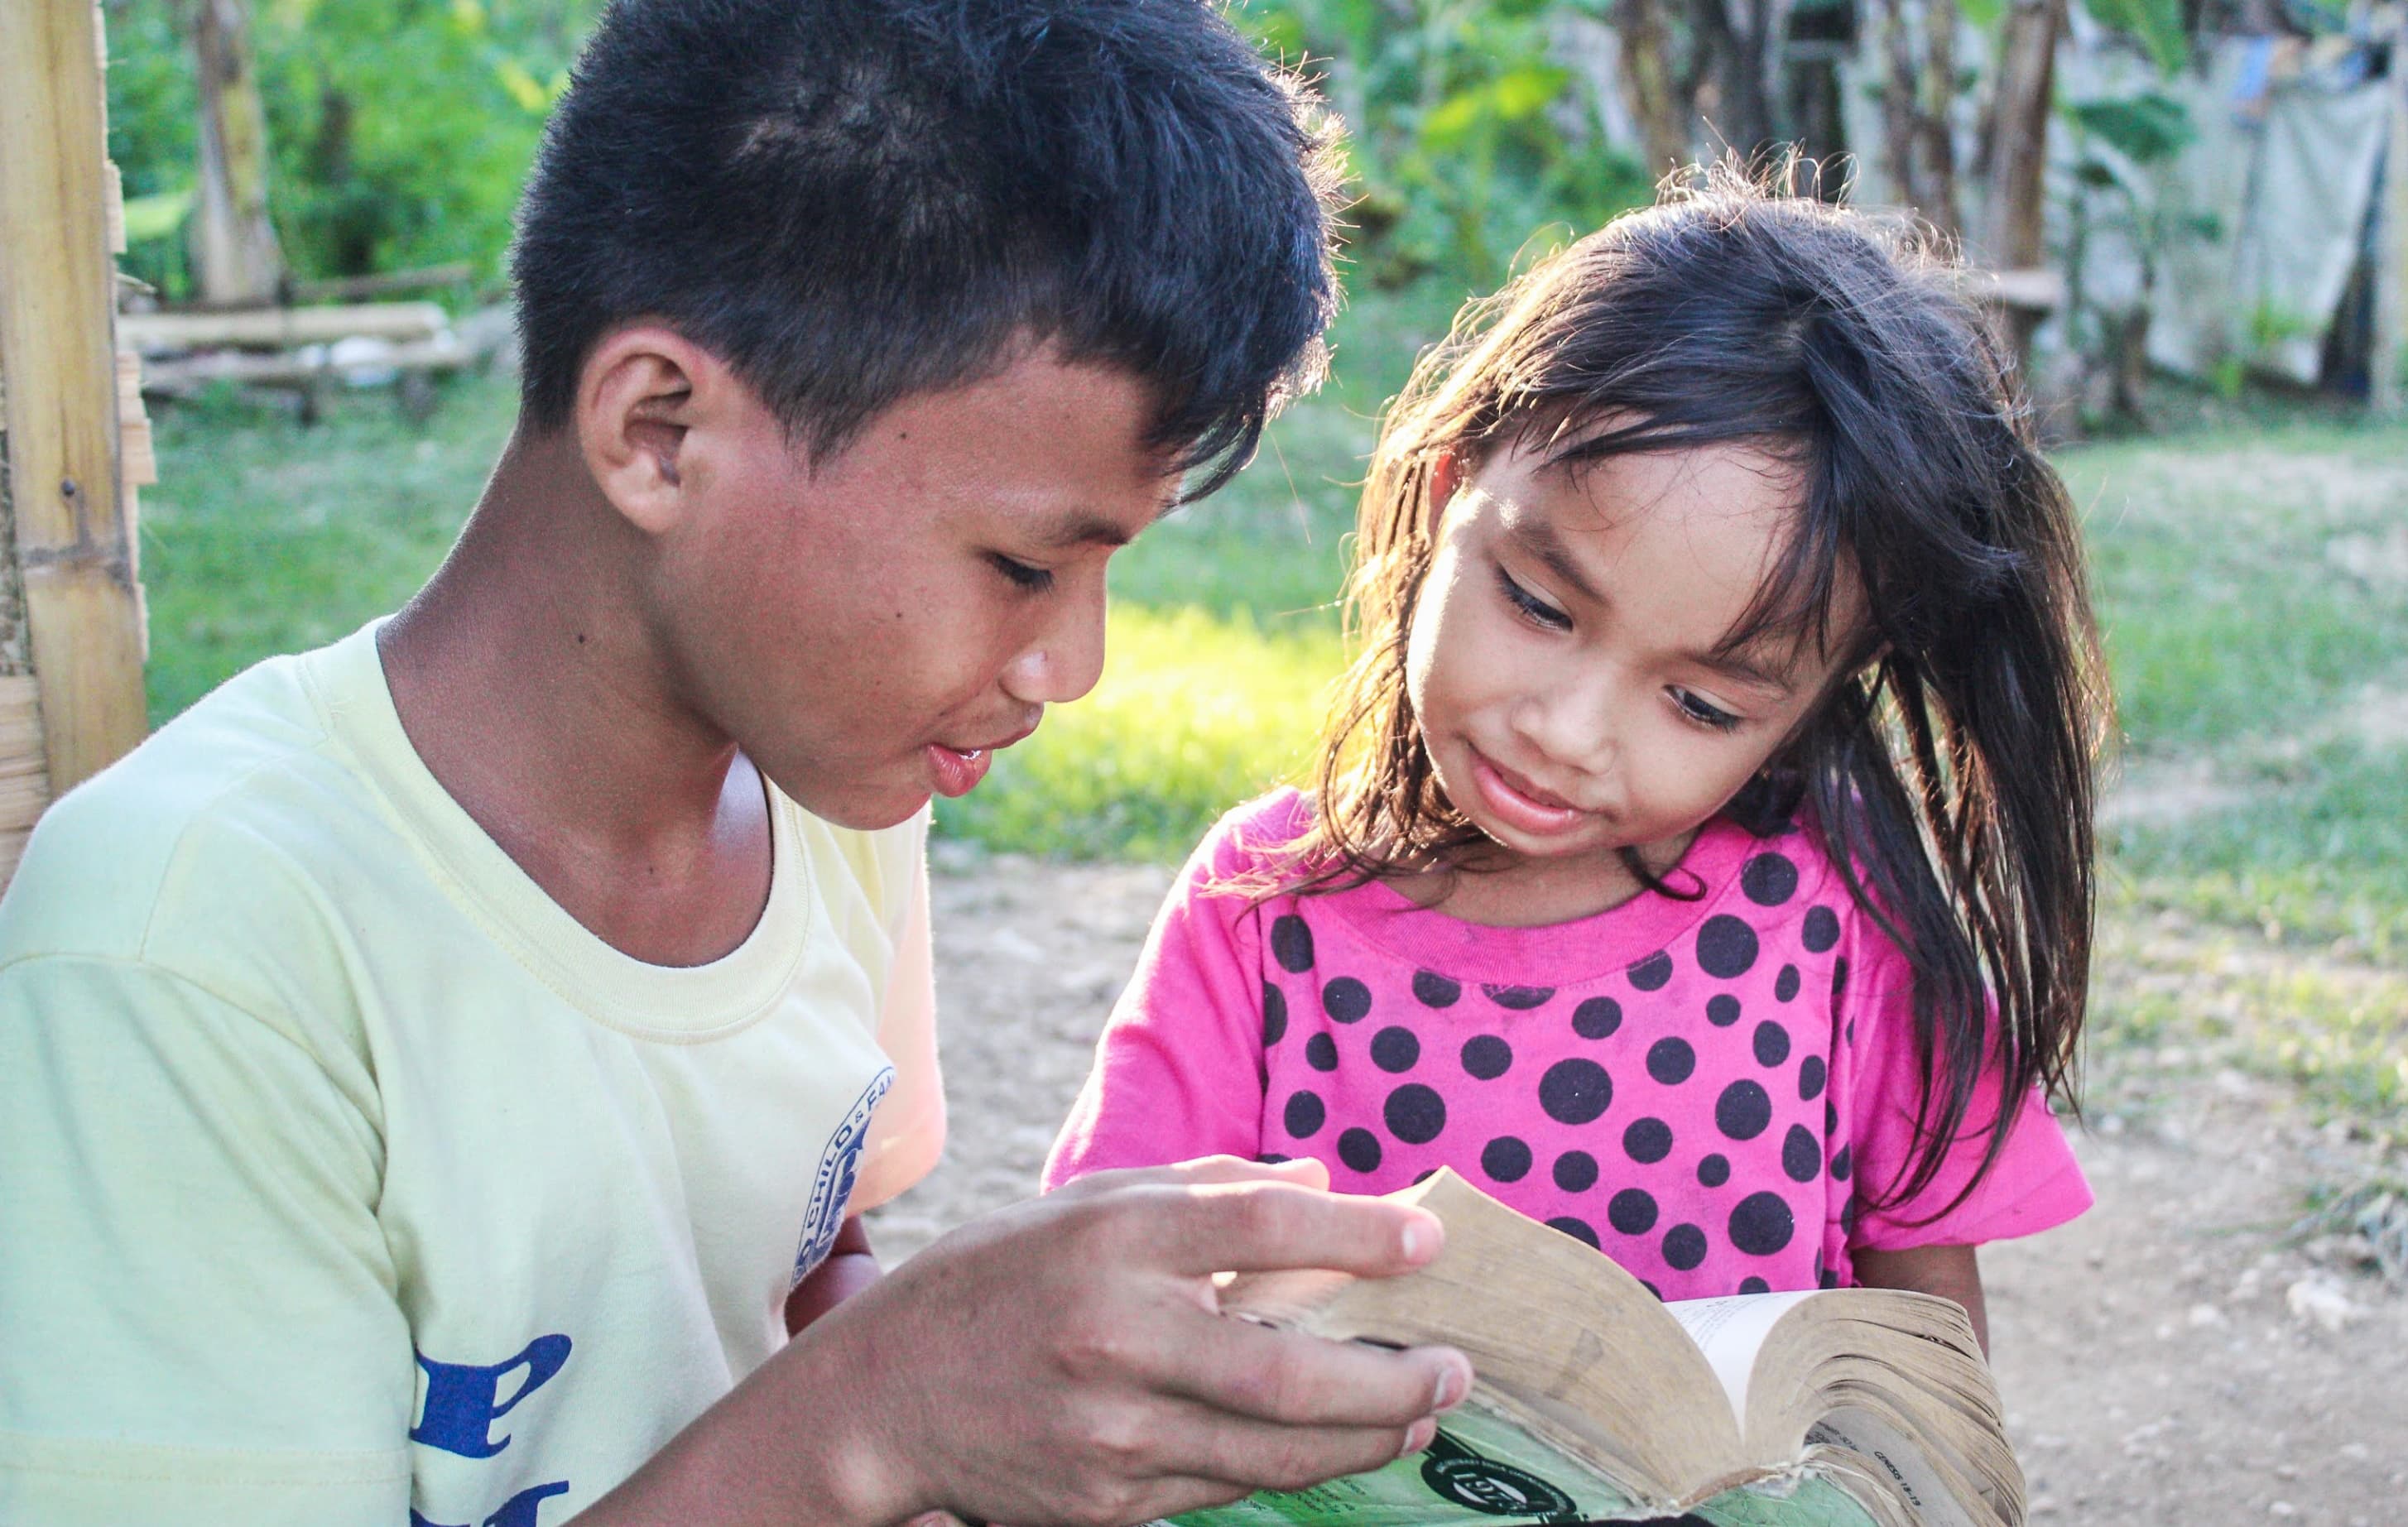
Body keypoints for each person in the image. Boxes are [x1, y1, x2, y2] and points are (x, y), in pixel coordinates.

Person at [0, 2, 1477, 1524]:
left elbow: (796, 1258)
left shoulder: (829, 779)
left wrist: (1011, 1388)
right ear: (657, 433)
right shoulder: (193, 943)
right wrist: (879, 1414)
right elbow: (843, 1398)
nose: (1069, 668)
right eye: (1025, 565)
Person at [1045, 171, 2112, 1347]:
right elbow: (1105, 1277)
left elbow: (1928, 1360)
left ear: (1805, 707)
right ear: (1453, 489)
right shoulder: (1262, 910)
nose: (1566, 730)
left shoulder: (1848, 925)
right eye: (1540, 605)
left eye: (1700, 703)